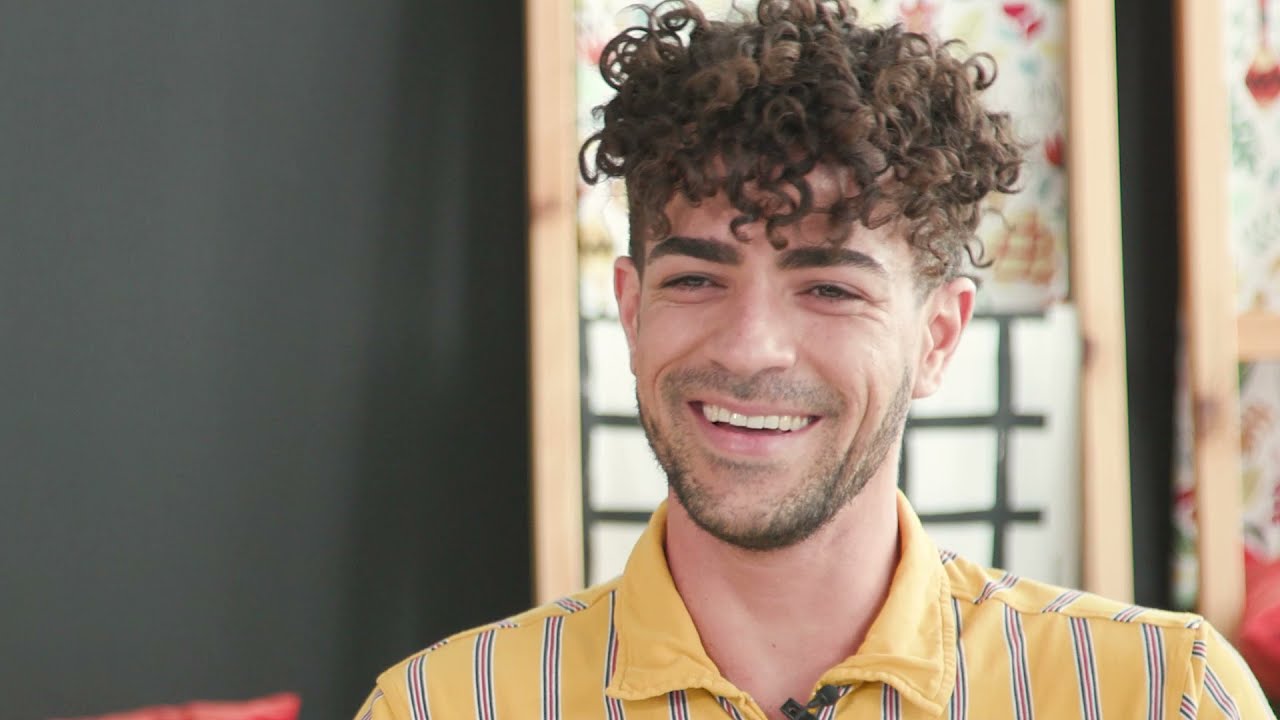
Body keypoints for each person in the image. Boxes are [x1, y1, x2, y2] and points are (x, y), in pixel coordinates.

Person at [354, 1, 1275, 717]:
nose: (750, 346)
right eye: (695, 280)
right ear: (631, 312)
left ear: (937, 338)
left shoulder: (1162, 694)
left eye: (830, 288)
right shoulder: (442, 707)